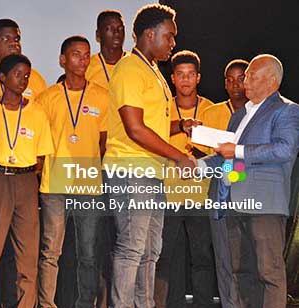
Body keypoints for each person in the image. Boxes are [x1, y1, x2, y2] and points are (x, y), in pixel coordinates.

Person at [102, 4, 198, 308]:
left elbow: (151, 124)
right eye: (169, 37)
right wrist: (178, 157)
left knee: (150, 250)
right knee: (132, 248)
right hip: (131, 170)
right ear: (149, 34)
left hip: (151, 172)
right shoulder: (130, 68)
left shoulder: (152, 70)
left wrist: (180, 125)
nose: (173, 43)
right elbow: (135, 129)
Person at [198, 54, 299, 308]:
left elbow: (285, 150)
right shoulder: (240, 114)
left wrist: (239, 151)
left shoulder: (287, 110)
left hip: (265, 204)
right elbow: (229, 157)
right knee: (240, 272)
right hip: (234, 201)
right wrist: (198, 166)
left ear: (272, 80)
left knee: (269, 272)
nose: (245, 80)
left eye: (252, 75)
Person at [0, 53, 52, 308]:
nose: (23, 80)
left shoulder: (37, 112)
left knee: (27, 256)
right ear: (2, 77)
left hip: (27, 181)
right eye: (17, 74)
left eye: (27, 75)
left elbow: (41, 157)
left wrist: (23, 173)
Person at [35, 36, 108, 308]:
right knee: (50, 252)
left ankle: (85, 303)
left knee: (88, 253)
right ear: (62, 60)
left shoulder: (102, 95)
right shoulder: (46, 98)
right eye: (76, 54)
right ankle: (46, 304)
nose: (83, 60)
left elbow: (104, 142)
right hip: (54, 185)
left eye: (87, 54)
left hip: (88, 185)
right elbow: (40, 143)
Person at [155, 49, 217, 308]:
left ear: (199, 78)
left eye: (191, 74)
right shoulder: (161, 109)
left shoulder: (212, 110)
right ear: (172, 79)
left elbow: (224, 155)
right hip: (167, 196)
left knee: (202, 258)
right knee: (164, 258)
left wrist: (200, 155)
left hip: (200, 198)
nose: (185, 80)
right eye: (180, 75)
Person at [199, 59, 248, 308]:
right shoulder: (212, 113)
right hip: (220, 194)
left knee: (248, 261)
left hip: (250, 195)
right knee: (224, 260)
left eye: (241, 78)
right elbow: (210, 156)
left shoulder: (258, 113)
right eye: (229, 79)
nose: (235, 84)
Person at [86, 10, 126, 90]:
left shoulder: (135, 62)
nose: (116, 32)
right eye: (109, 28)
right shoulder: (86, 66)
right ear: (98, 34)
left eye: (120, 28)